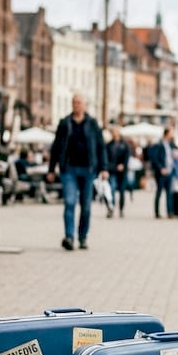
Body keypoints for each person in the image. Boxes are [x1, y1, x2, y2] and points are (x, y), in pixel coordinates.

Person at [47, 92, 108, 250]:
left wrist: (104, 168)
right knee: (69, 202)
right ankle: (69, 236)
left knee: (86, 206)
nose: (77, 105)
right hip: (69, 169)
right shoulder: (65, 123)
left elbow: (101, 146)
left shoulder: (92, 123)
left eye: (79, 102)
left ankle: (82, 237)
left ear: (85, 105)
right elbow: (56, 146)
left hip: (88, 169)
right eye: (74, 102)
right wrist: (51, 169)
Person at [143, 127, 176, 218]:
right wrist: (161, 168)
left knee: (169, 193)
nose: (173, 135)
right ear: (167, 133)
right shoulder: (159, 144)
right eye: (171, 133)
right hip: (161, 172)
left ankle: (170, 212)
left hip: (170, 171)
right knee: (159, 192)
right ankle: (157, 212)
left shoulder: (170, 145)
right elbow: (154, 158)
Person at [106, 126, 132, 218]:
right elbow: (106, 158)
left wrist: (123, 165)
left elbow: (127, 156)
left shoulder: (125, 144)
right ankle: (111, 208)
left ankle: (121, 209)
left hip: (122, 171)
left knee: (122, 191)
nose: (114, 134)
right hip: (112, 170)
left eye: (115, 132)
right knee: (111, 189)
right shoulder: (109, 145)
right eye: (112, 132)